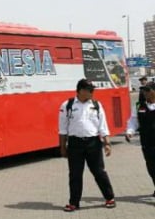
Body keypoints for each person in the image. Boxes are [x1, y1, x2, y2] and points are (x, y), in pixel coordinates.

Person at [58, 79, 115, 212]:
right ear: (81, 91)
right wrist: (62, 147)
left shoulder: (96, 105)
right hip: (75, 144)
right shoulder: (67, 105)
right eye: (90, 90)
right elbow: (62, 129)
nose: (92, 92)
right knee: (75, 175)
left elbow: (103, 127)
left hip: (93, 143)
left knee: (99, 172)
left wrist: (107, 143)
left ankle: (109, 198)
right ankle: (74, 203)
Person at [125, 81, 155, 196]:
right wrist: (130, 131)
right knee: (151, 166)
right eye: (144, 90)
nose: (145, 93)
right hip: (146, 142)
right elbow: (133, 121)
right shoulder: (138, 106)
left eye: (148, 90)